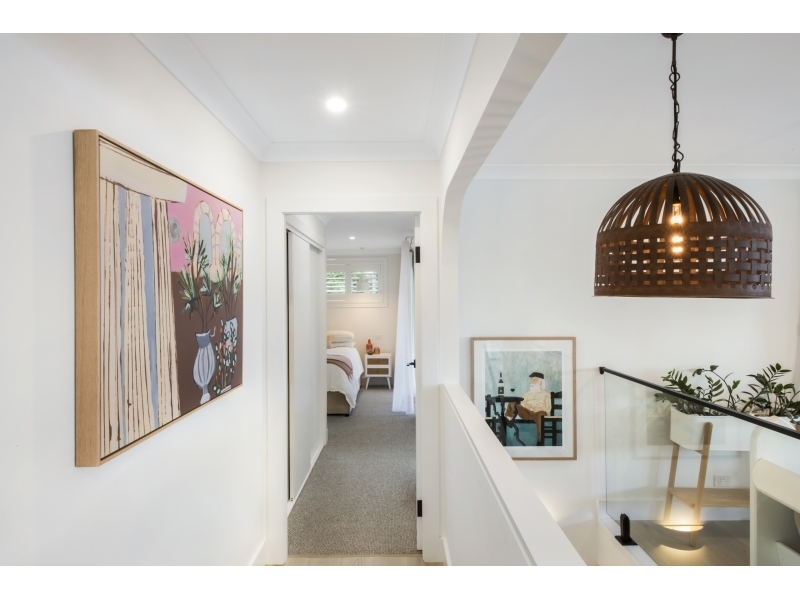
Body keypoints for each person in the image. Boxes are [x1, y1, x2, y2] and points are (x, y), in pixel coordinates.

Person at [506, 371, 551, 444]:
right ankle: (508, 420)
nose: (531, 382)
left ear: (540, 382)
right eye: (531, 380)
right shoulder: (527, 394)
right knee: (512, 403)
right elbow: (522, 405)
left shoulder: (546, 395)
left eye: (534, 380)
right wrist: (527, 406)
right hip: (527, 413)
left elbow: (548, 408)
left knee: (541, 414)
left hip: (539, 414)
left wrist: (539, 408)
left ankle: (540, 441)